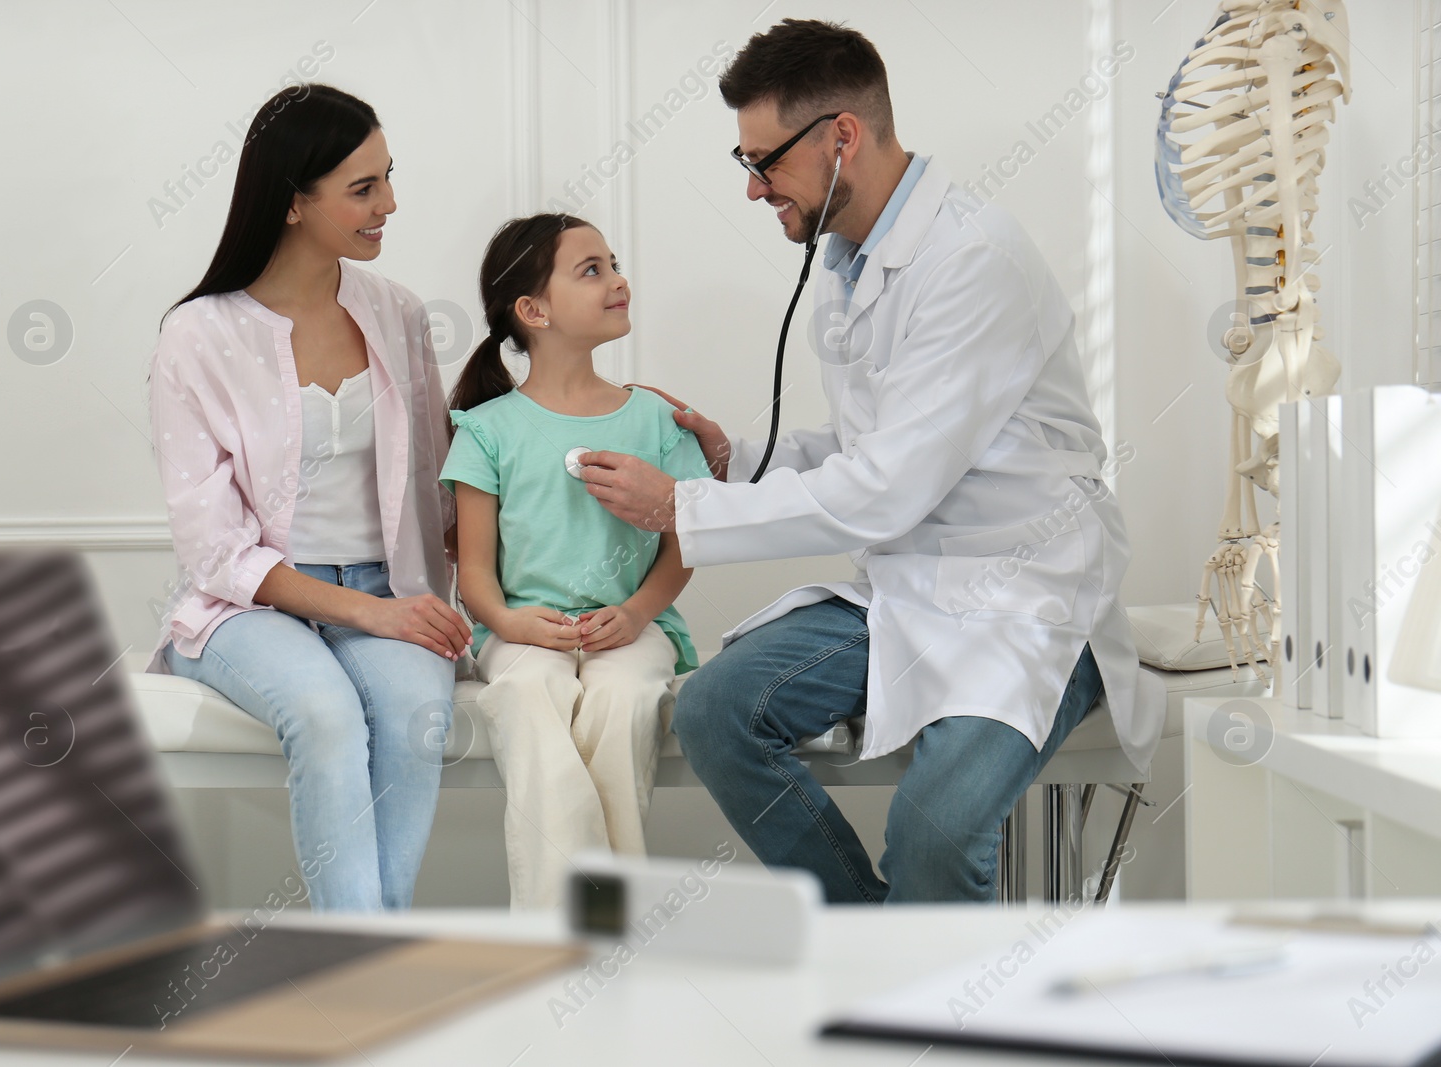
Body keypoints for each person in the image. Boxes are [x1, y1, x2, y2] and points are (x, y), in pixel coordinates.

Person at [577, 20, 1160, 903]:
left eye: (761, 162)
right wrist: (735, 461)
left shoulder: (973, 260)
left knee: (933, 832)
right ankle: (870, 949)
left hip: (1026, 598)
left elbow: (887, 488)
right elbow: (872, 447)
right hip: (912, 583)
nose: (752, 189)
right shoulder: (850, 261)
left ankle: (906, 1007)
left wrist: (683, 509)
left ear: (841, 137)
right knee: (714, 709)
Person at [146, 83, 472, 911]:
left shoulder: (396, 312)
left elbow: (437, 482)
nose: (389, 204)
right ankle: (365, 967)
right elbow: (215, 550)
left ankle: (363, 958)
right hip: (247, 605)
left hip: (386, 586)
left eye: (387, 177)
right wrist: (373, 615)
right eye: (363, 189)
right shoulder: (198, 335)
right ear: (294, 202)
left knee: (411, 718)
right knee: (325, 717)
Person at [440, 214, 713, 909]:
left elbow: (682, 546)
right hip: (523, 629)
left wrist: (634, 613)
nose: (618, 279)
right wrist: (511, 622)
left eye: (614, 262)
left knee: (621, 701)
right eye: (591, 269)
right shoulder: (487, 430)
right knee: (532, 694)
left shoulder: (656, 420)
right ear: (533, 310)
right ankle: (590, 918)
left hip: (633, 623)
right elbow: (474, 572)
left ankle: (582, 921)